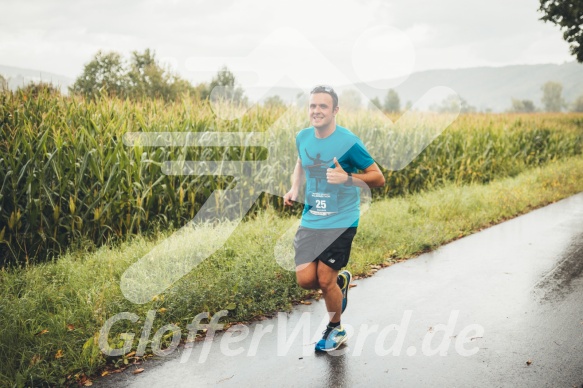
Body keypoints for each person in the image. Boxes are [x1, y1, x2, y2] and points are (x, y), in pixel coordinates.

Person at [283, 85, 385, 352]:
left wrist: (348, 179)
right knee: (305, 279)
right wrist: (294, 188)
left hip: (341, 220)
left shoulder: (349, 142)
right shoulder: (303, 136)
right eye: (313, 106)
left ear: (335, 110)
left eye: (323, 106)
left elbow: (378, 177)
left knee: (325, 279)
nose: (316, 111)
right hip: (311, 218)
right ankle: (340, 284)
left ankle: (336, 328)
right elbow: (300, 162)